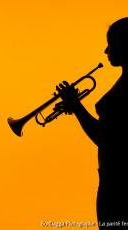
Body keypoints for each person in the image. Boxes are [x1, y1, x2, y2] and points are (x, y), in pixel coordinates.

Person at [54, 17, 128, 229]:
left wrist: (76, 107)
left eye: (111, 43)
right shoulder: (122, 82)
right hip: (111, 180)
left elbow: (105, 139)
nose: (106, 50)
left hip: (117, 185)